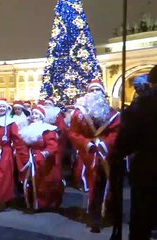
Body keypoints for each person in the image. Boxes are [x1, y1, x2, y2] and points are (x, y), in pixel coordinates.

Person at [110, 65, 157, 240]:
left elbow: (126, 138)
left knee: (141, 220)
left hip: (148, 168)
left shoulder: (143, 104)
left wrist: (117, 154)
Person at [68, 79, 120, 233]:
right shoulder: (78, 114)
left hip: (106, 155)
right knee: (92, 185)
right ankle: (94, 214)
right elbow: (73, 133)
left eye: (98, 90)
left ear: (103, 94)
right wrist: (87, 144)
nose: (95, 93)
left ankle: (105, 213)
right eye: (92, 91)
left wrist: (105, 144)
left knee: (106, 184)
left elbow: (116, 132)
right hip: (88, 155)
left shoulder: (112, 113)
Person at [18, 106, 64, 210]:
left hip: (45, 160)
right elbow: (23, 144)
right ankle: (34, 202)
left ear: (42, 116)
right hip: (31, 157)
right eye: (33, 114)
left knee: (45, 182)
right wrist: (25, 155)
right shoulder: (27, 128)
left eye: (37, 114)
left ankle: (45, 203)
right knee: (32, 181)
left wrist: (43, 154)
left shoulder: (47, 129)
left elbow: (52, 146)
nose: (34, 116)